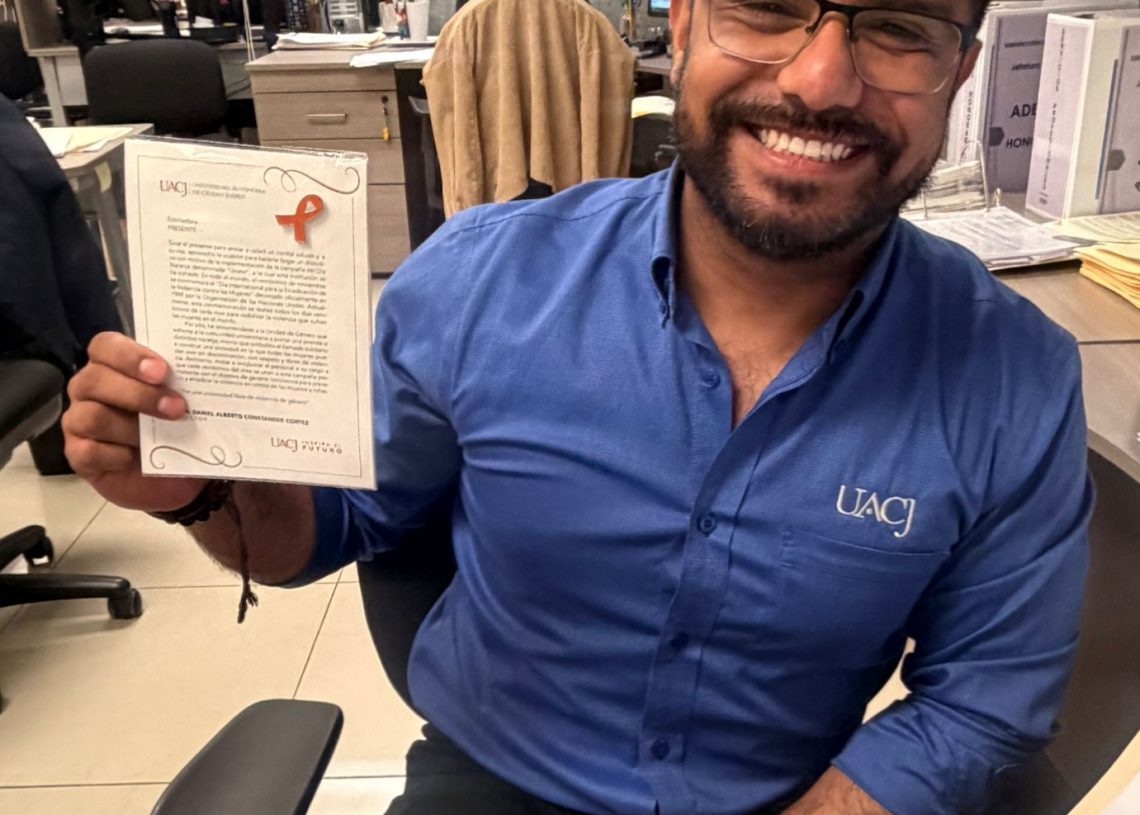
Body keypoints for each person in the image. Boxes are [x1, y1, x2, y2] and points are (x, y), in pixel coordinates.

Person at [62, 0, 1093, 812]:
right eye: (766, 7)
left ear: (961, 70)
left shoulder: (1014, 376)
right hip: (491, 782)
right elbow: (331, 528)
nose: (820, 79)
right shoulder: (480, 281)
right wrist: (200, 490)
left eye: (900, 26)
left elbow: (983, 699)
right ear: (682, 25)